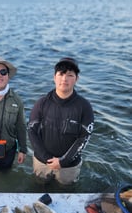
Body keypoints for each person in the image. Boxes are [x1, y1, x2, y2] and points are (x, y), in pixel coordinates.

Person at [28, 57, 94, 185]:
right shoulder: (41, 103)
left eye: (70, 75)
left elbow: (84, 137)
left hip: (69, 166)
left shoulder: (84, 106)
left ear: (76, 79)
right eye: (61, 74)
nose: (64, 79)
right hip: (42, 162)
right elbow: (31, 131)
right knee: (39, 186)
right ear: (54, 77)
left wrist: (63, 161)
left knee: (67, 191)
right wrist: (46, 158)